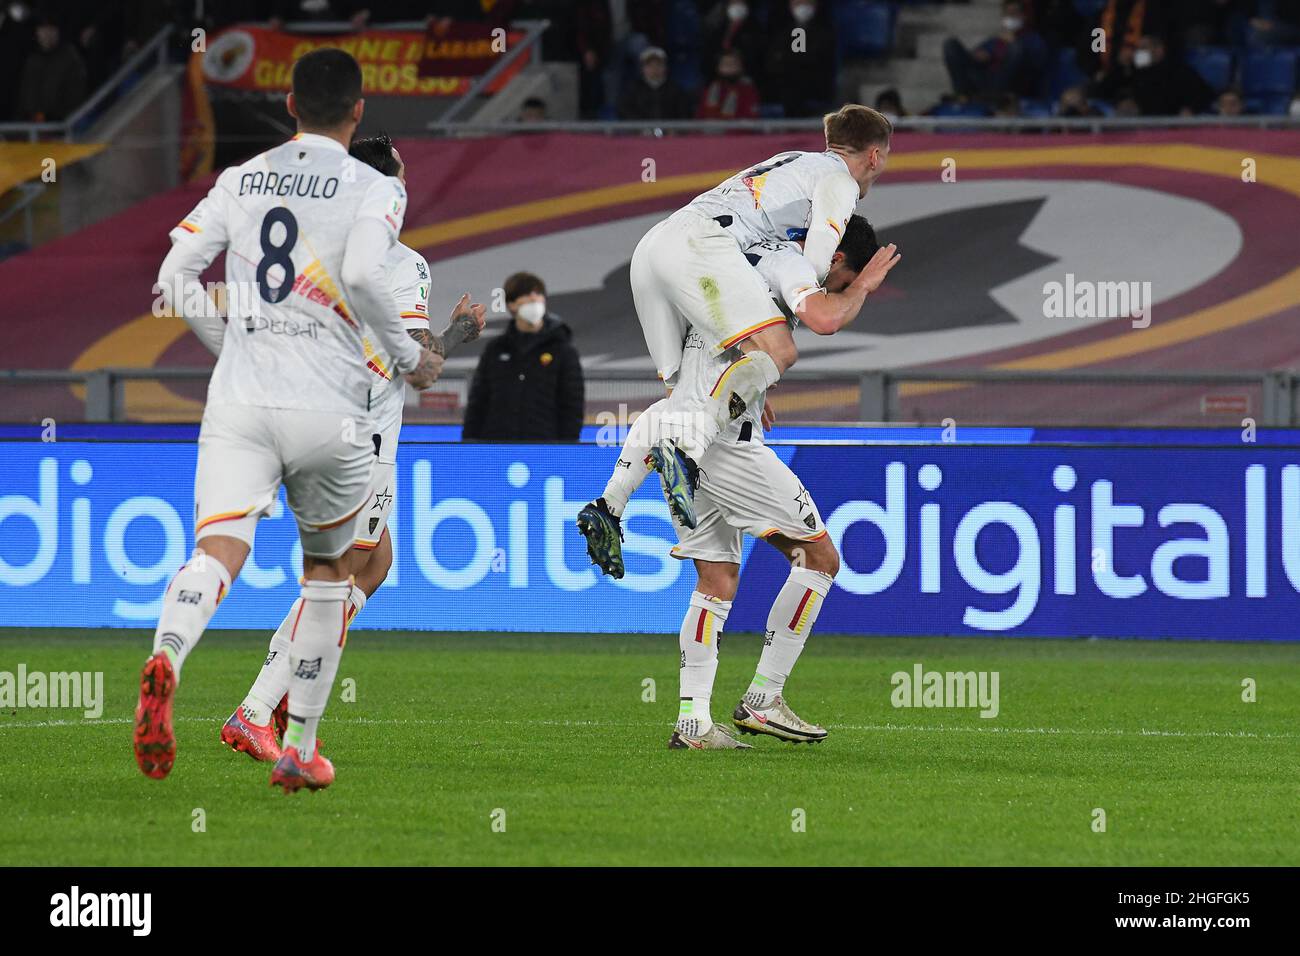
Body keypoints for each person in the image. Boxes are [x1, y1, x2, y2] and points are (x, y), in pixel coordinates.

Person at [138, 49, 444, 793]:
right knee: (332, 574)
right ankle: (297, 744)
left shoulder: (241, 178)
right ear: (360, 109)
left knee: (217, 552)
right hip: (331, 410)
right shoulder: (373, 189)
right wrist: (411, 355)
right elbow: (370, 276)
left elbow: (173, 279)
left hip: (241, 398)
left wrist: (229, 349)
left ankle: (169, 656)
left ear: (287, 103)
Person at [579, 216, 901, 749]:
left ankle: (693, 723)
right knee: (818, 560)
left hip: (681, 421)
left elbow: (716, 342)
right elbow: (824, 319)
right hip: (727, 443)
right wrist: (863, 286)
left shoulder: (733, 256)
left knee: (716, 581)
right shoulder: (789, 262)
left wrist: (750, 388)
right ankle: (764, 698)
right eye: (845, 278)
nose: (838, 288)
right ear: (838, 257)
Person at [219, 134, 486, 765]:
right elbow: (421, 366)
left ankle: (279, 694)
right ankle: (257, 709)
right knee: (337, 576)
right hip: (357, 434)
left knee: (375, 564)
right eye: (402, 173)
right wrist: (461, 332)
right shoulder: (397, 260)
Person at [629, 104, 891, 531]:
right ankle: (688, 453)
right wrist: (846, 288)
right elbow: (819, 264)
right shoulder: (839, 182)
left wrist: (752, 380)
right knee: (781, 350)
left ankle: (612, 502)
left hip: (656, 245)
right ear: (875, 157)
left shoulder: (793, 161)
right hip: (700, 245)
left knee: (679, 389)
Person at [462, 272, 585, 441]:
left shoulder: (563, 350)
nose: (535, 299)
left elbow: (572, 406)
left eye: (539, 294)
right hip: (497, 446)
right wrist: (469, 442)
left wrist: (566, 448)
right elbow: (478, 401)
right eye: (527, 294)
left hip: (545, 447)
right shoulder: (496, 349)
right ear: (511, 304)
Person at [942, 0, 1048, 102]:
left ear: (1023, 16)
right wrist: (981, 56)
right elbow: (975, 56)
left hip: (1009, 85)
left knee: (1016, 48)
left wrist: (1014, 42)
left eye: (1014, 13)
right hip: (985, 80)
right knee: (950, 45)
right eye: (1007, 14)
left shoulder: (1033, 39)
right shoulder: (996, 40)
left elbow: (1037, 64)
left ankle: (996, 98)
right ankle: (962, 95)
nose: (1010, 17)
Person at [17, 14, 86, 122]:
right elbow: (25, 96)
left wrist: (51, 117)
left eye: (51, 30)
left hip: (61, 126)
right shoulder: (33, 60)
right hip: (31, 127)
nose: (47, 34)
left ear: (58, 32)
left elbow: (75, 96)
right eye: (43, 30)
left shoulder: (70, 57)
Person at [617, 45, 692, 120]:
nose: (654, 69)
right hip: (640, 131)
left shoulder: (676, 89)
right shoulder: (632, 89)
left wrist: (673, 129)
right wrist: (641, 129)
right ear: (643, 68)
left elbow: (684, 114)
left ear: (665, 67)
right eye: (650, 65)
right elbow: (624, 112)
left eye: (658, 64)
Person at [695, 48, 761, 120]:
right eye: (726, 64)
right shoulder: (709, 89)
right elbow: (699, 118)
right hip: (708, 129)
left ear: (740, 67)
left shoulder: (748, 91)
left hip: (737, 130)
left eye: (733, 64)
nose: (729, 67)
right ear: (718, 68)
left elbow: (751, 120)